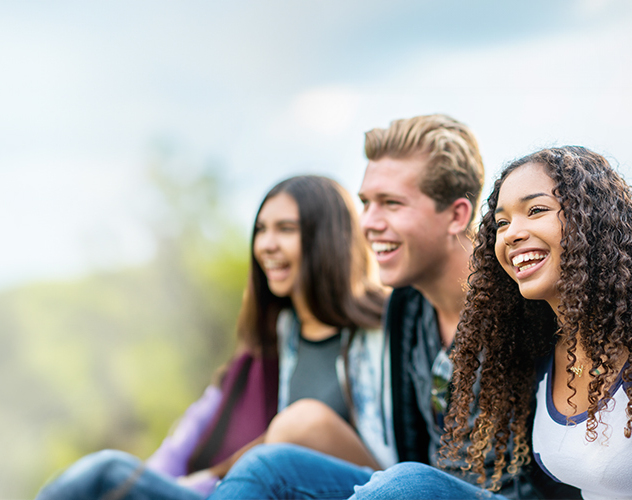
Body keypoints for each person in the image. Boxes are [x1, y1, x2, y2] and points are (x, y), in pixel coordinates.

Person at [211, 116, 572, 499]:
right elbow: (412, 450)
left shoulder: (525, 298)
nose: (368, 223)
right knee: (267, 467)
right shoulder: (408, 306)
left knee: (404, 483)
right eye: (366, 203)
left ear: (457, 215)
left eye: (391, 204)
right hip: (422, 489)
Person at [350, 146, 632, 499]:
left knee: (404, 487)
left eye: (536, 211)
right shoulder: (543, 349)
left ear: (591, 222)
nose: (512, 233)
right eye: (501, 222)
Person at [34, 175, 386, 500]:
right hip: (250, 489)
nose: (266, 244)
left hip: (343, 488)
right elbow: (191, 433)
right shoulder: (279, 340)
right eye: (261, 230)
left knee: (107, 473)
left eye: (286, 229)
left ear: (327, 237)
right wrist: (154, 486)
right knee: (110, 478)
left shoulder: (384, 331)